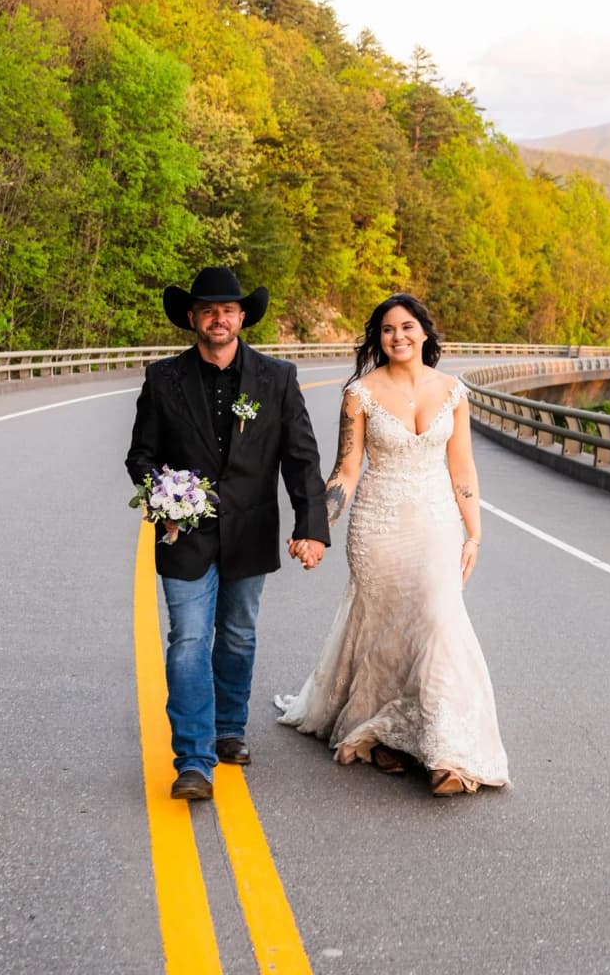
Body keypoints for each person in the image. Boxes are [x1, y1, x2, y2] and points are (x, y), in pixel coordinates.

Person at [276, 293, 510, 797]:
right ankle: (384, 730)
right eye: (387, 329)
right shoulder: (360, 393)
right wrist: (316, 526)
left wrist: (475, 532)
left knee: (439, 619)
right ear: (378, 339)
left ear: (425, 332)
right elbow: (345, 471)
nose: (398, 336)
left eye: (407, 327)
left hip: (438, 524)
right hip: (378, 526)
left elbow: (462, 467)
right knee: (385, 629)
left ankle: (448, 753)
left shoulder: (453, 391)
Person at [125, 266, 330, 802]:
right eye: (208, 310)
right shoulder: (162, 378)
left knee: (237, 635)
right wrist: (162, 498)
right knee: (188, 640)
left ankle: (229, 727)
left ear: (242, 318)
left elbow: (300, 458)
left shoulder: (276, 378)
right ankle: (192, 758)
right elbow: (141, 455)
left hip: (251, 529)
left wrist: (312, 527)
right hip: (183, 535)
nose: (219, 318)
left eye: (228, 310)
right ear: (192, 318)